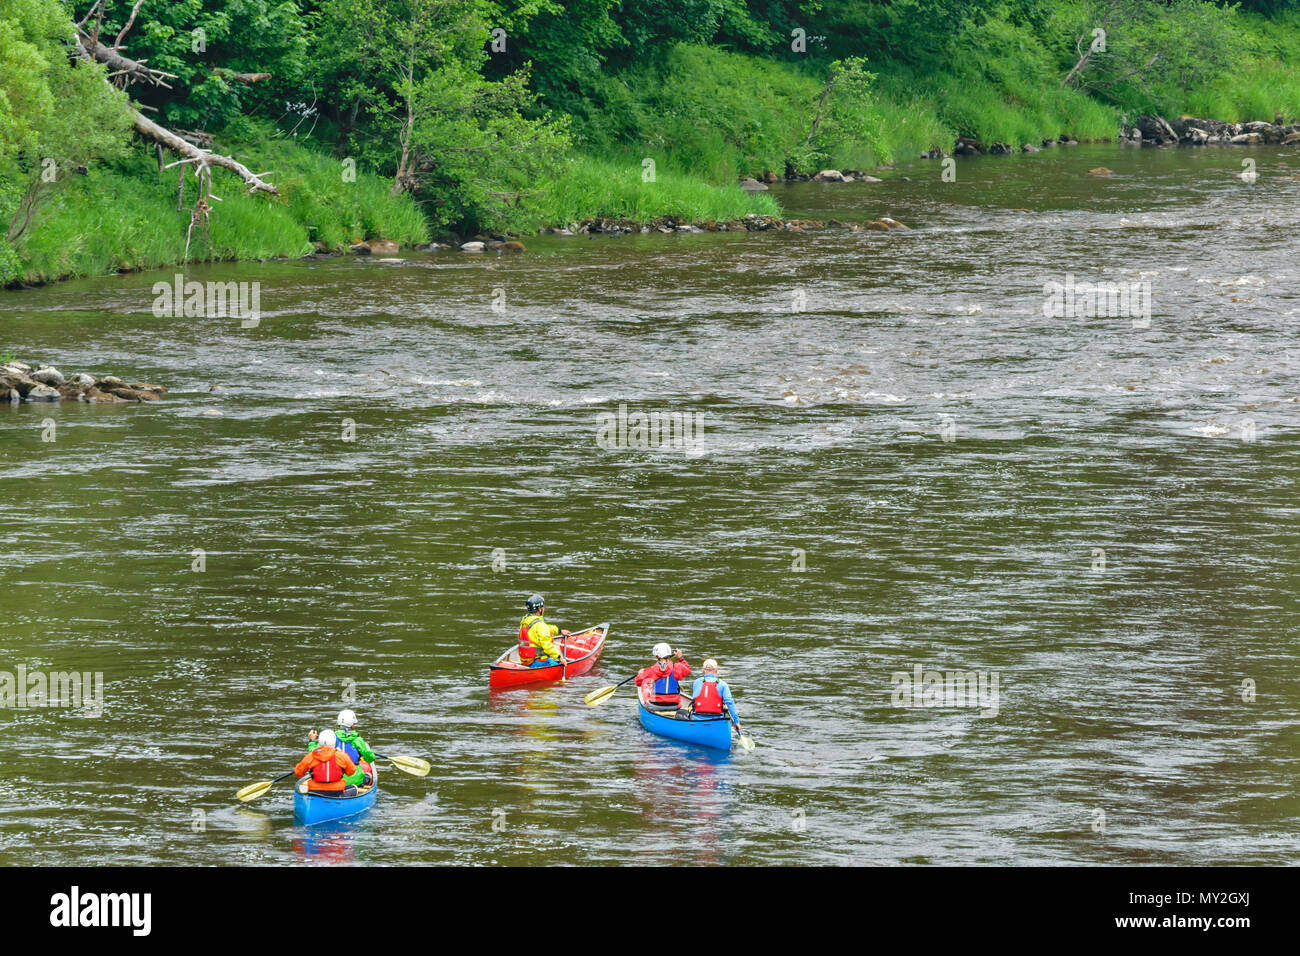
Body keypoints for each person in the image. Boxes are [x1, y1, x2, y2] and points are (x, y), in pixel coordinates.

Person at [308, 709, 374, 786]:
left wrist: (312, 741)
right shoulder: (357, 740)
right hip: (355, 780)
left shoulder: (330, 738)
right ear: (352, 725)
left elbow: (314, 753)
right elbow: (370, 758)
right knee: (369, 775)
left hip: (335, 778)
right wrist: (361, 755)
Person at [295, 729, 359, 795]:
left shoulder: (311, 756)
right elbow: (351, 772)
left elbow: (298, 773)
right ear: (334, 742)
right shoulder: (341, 755)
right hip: (336, 791)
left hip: (315, 792)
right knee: (353, 788)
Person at [689, 659, 743, 735]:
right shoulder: (722, 684)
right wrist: (736, 722)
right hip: (717, 721)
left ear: (703, 670)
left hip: (697, 720)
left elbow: (700, 699)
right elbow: (730, 703)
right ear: (716, 670)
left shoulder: (697, 682)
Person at [517, 593, 570, 667]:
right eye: (543, 607)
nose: (544, 608)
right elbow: (547, 645)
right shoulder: (540, 625)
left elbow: (546, 628)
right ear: (539, 609)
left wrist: (559, 631)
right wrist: (559, 657)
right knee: (556, 662)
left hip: (525, 660)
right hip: (536, 662)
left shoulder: (526, 621)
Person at [635, 642, 691, 707]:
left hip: (656, 704)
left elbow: (638, 682)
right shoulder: (678, 667)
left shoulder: (652, 670)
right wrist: (681, 658)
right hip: (674, 704)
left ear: (657, 656)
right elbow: (687, 670)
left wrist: (640, 674)